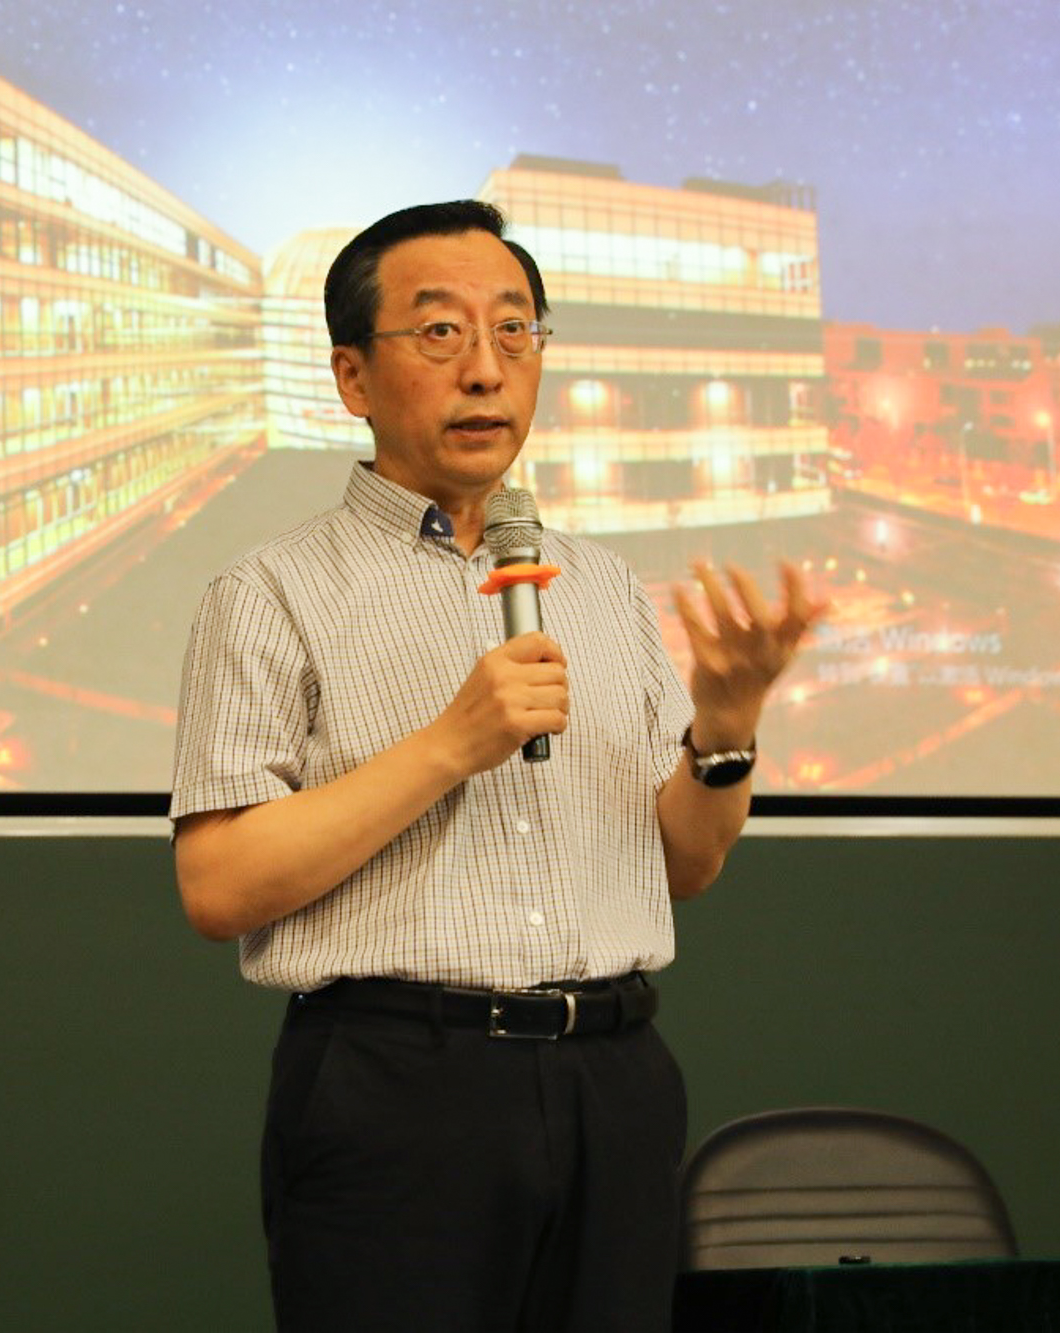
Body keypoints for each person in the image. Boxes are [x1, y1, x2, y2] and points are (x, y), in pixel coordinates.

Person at [169, 200, 825, 1332]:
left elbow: (684, 864)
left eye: (514, 331)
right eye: (440, 333)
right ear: (352, 376)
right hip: (398, 1087)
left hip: (615, 1079)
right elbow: (218, 885)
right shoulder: (270, 592)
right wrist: (449, 746)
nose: (485, 369)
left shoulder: (603, 587)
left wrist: (723, 728)